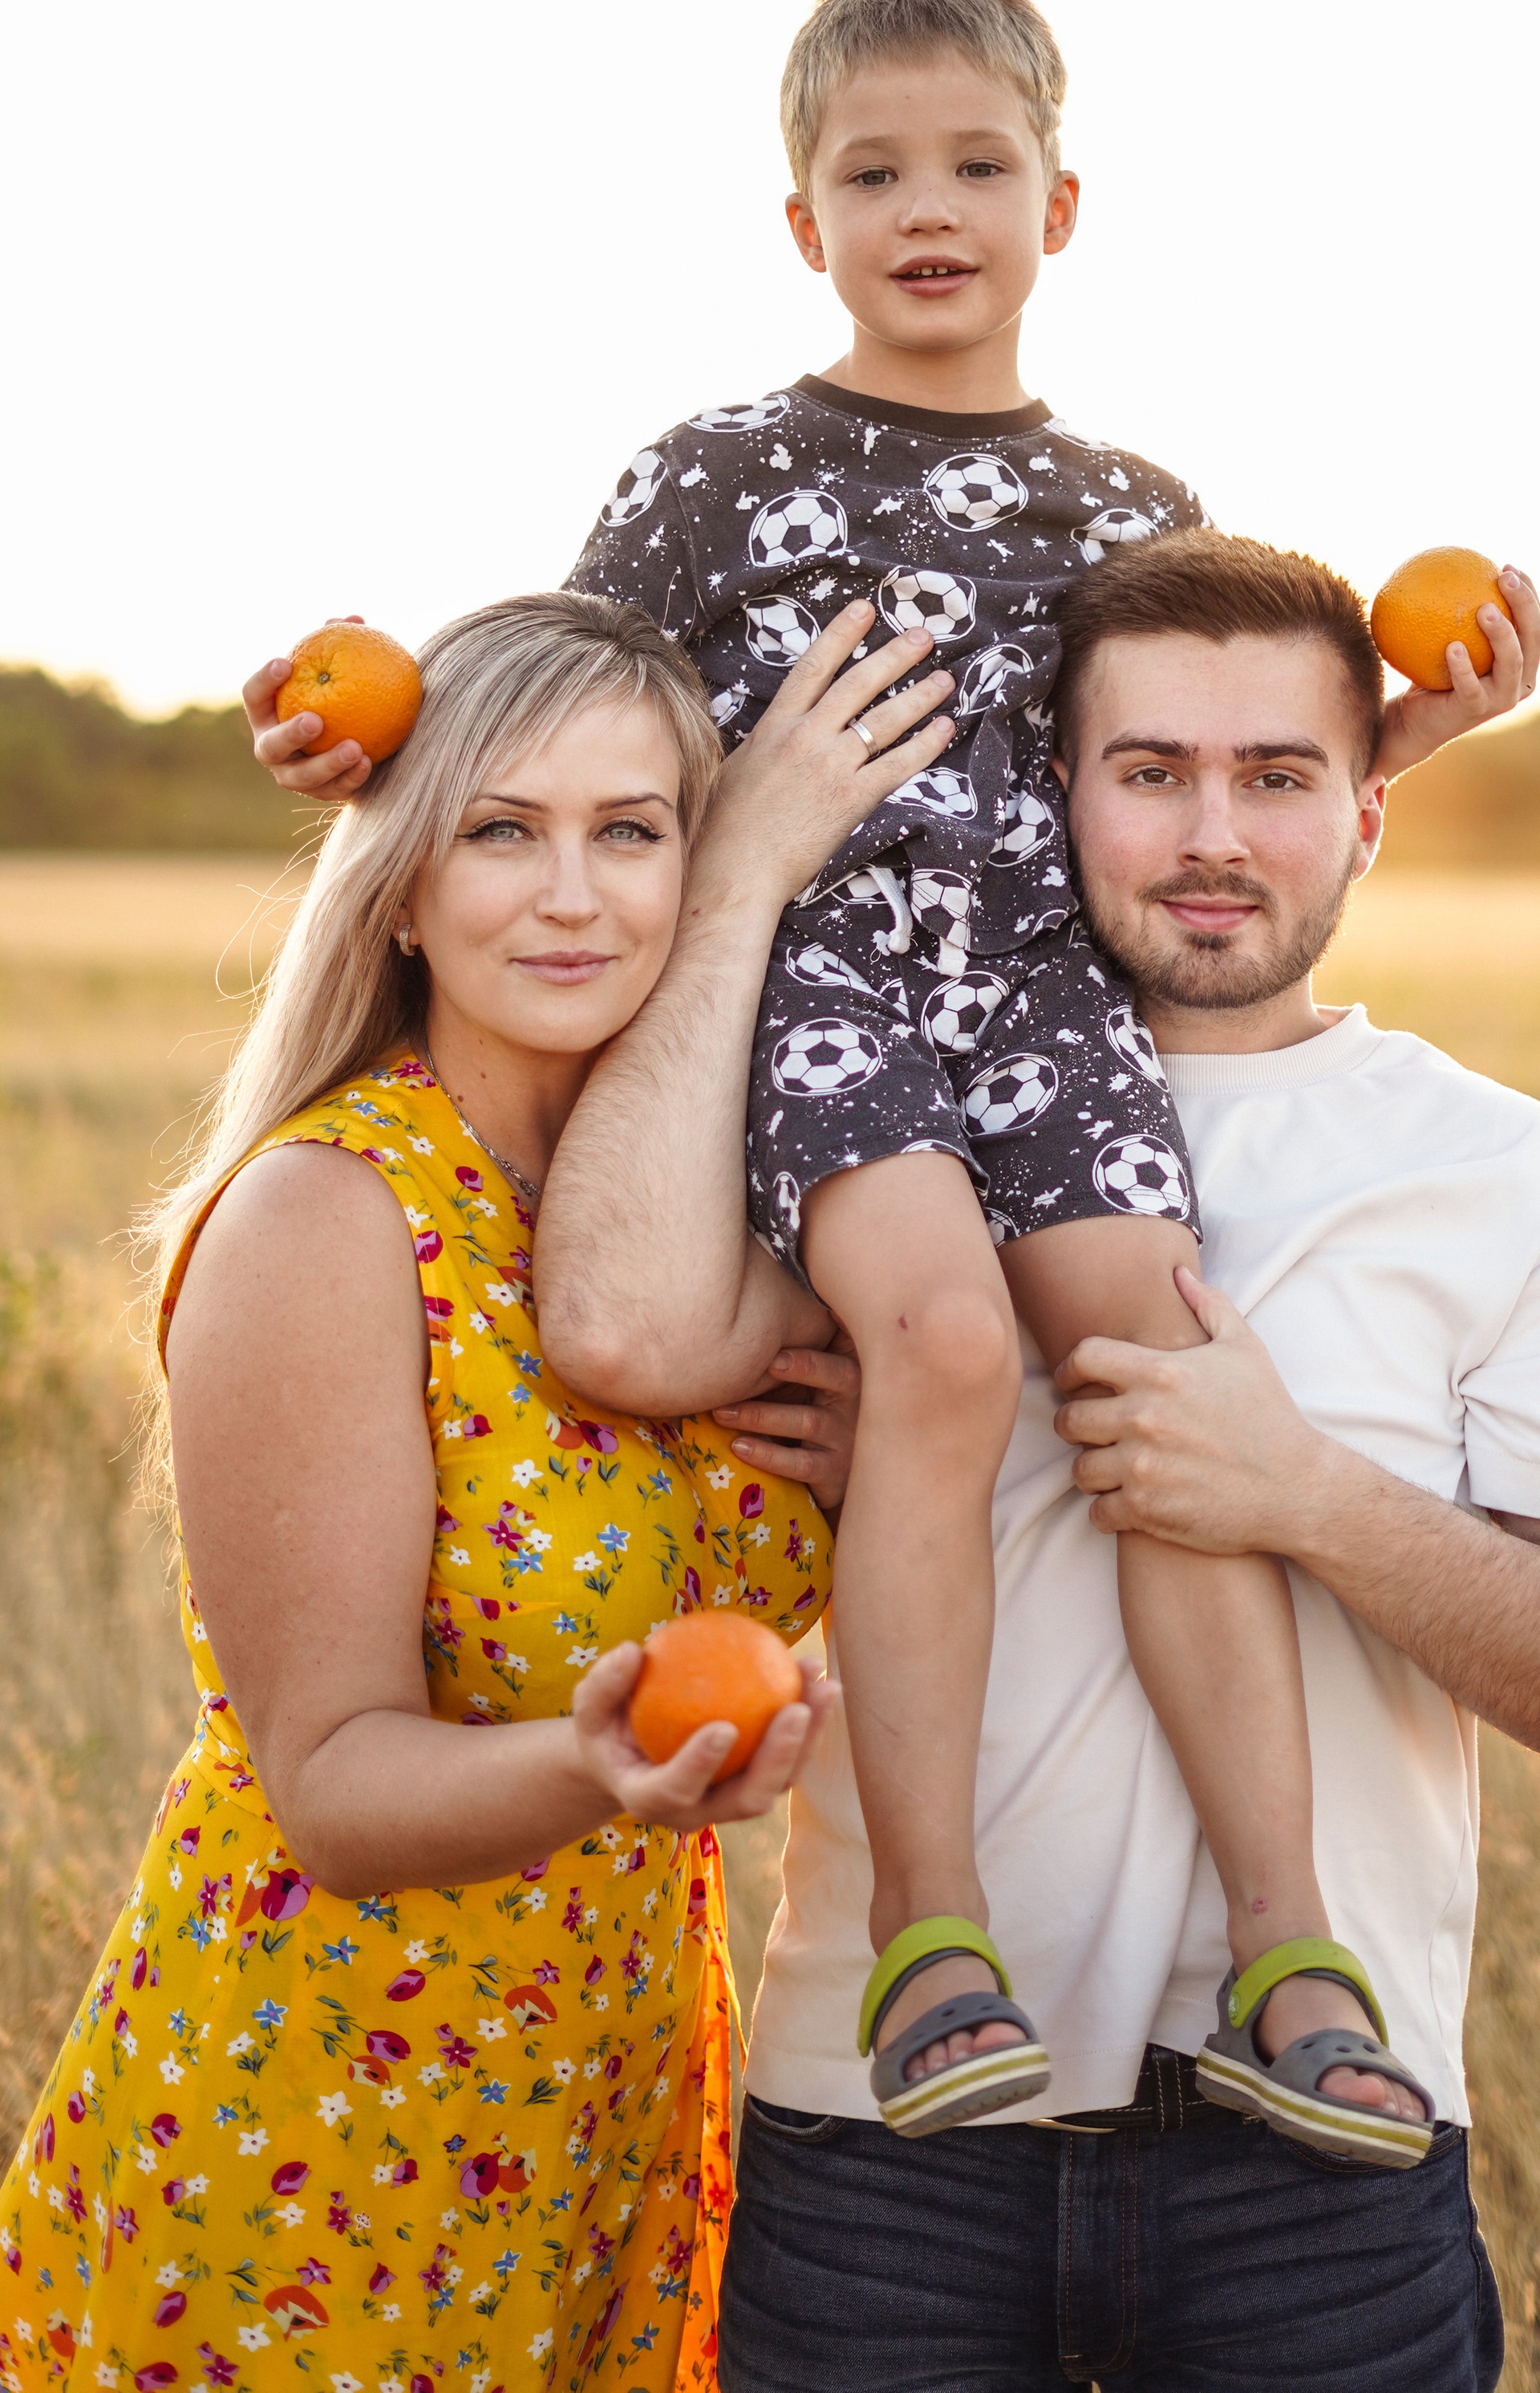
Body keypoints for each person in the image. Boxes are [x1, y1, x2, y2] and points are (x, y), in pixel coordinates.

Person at [247, 0, 1540, 2150]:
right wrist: (371, 737)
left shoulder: (1137, 500)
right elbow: (556, 700)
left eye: (977, 164)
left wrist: (1411, 722)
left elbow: (1201, 767)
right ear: (801, 223)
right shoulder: (715, 470)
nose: (928, 206)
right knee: (942, 1349)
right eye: (874, 172)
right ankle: (938, 1932)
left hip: (1041, 985)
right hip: (828, 976)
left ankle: (1291, 1945)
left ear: (1064, 203)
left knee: (1168, 1384)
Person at [682, 529, 1540, 2391]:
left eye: (1279, 776)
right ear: (1045, 791)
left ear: (1373, 808)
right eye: (1149, 772)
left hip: (1312, 2160)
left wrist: (1303, 1490)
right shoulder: (831, 1142)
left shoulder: (1517, 1186)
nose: (1211, 836)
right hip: (877, 2139)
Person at [0, 586, 962, 2393]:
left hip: (605, 2102)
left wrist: (873, 1467)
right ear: (405, 884)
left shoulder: (717, 1212)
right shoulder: (335, 1211)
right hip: (321, 2128)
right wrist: (595, 1767)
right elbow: (333, 1787)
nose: (573, 894)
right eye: (501, 831)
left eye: (632, 831)